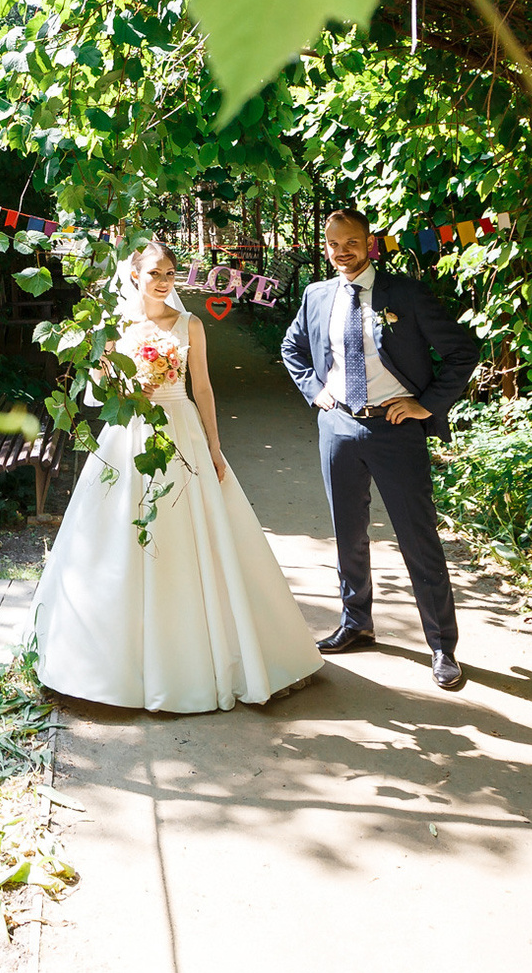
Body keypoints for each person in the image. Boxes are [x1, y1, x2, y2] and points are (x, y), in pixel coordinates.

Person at [30, 240, 323, 712]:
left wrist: (214, 444)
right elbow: (100, 390)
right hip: (130, 433)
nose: (164, 282)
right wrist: (127, 384)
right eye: (155, 274)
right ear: (134, 276)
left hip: (181, 427)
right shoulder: (115, 327)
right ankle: (106, 662)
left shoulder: (191, 324)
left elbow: (202, 387)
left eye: (170, 273)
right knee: (121, 534)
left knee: (197, 531)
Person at [279, 209, 482, 690]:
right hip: (338, 428)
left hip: (395, 430)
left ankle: (441, 647)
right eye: (333, 244)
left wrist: (424, 405)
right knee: (347, 534)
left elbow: (462, 351)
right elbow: (292, 349)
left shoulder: (405, 294)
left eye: (351, 242)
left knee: (418, 537)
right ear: (325, 246)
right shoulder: (316, 295)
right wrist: (315, 392)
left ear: (369, 243)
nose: (342, 251)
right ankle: (356, 624)